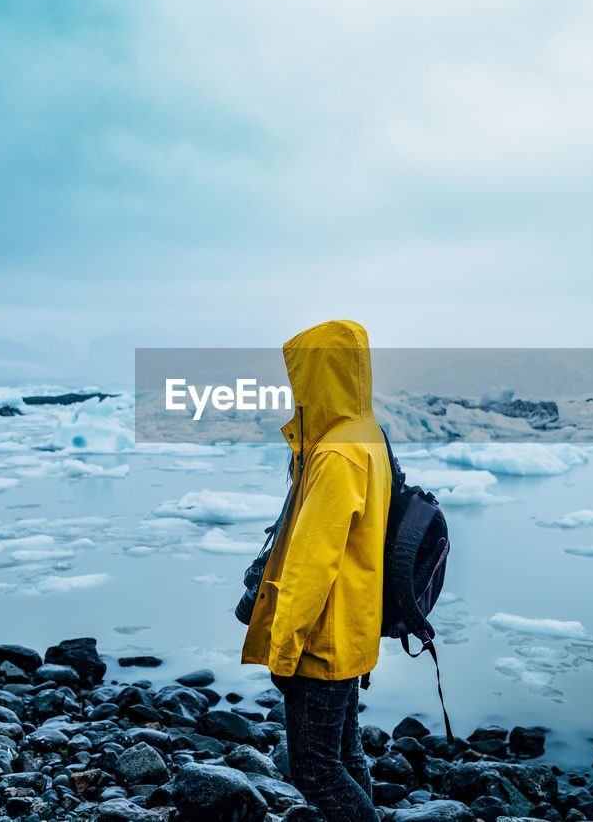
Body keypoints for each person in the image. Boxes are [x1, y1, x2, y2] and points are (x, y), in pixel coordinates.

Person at [241, 319, 391, 822]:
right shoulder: (366, 434)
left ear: (320, 375)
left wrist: (284, 651)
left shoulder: (336, 452)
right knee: (346, 757)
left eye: (300, 375)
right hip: (353, 628)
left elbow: (312, 563)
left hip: (321, 638)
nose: (294, 388)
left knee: (315, 769)